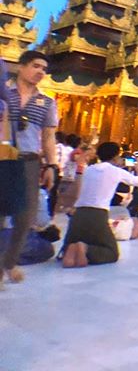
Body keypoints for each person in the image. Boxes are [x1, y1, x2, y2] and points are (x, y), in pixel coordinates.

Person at [1, 50, 59, 285]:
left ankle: (8, 263)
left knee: (25, 219)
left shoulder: (47, 102)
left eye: (44, 69)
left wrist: (52, 166)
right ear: (21, 67)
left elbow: (48, 137)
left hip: (30, 161)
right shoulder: (5, 94)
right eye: (36, 66)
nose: (40, 72)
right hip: (4, 158)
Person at [61, 141, 138, 268]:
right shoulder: (116, 171)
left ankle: (69, 249)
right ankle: (85, 249)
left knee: (74, 239)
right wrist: (137, 167)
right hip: (98, 215)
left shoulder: (88, 170)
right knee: (111, 252)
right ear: (116, 157)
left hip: (78, 216)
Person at [54, 134, 85, 213]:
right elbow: (78, 160)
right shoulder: (75, 151)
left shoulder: (64, 149)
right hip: (72, 174)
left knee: (61, 192)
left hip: (64, 173)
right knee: (71, 194)